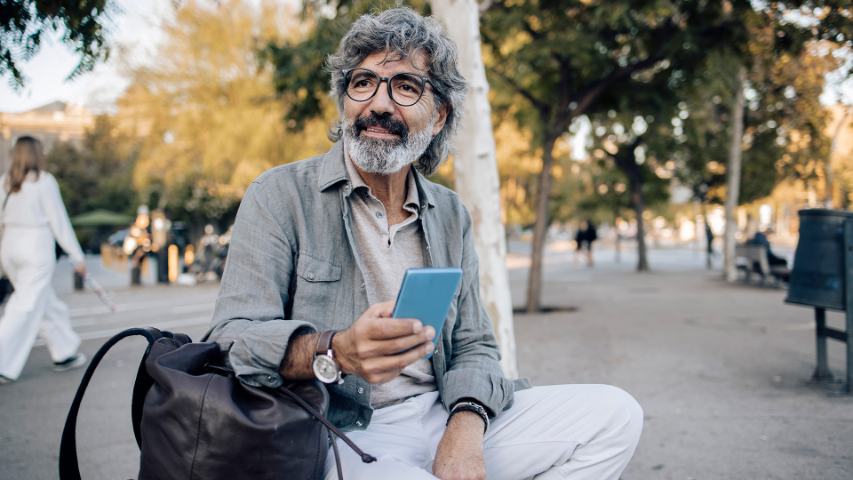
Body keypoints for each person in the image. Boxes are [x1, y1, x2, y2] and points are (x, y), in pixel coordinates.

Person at [206, 8, 642, 480]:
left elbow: (475, 344)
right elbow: (230, 340)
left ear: (438, 117)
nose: (378, 103)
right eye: (363, 83)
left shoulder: (450, 213)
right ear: (345, 100)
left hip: (440, 413)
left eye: (406, 87)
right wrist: (335, 350)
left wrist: (466, 423)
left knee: (615, 415)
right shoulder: (280, 195)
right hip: (333, 429)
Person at [0, 136, 88, 384]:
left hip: (10, 249)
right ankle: (3, 363)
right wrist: (77, 256)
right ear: (37, 154)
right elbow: (59, 222)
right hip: (35, 248)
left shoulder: (5, 182)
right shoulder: (44, 181)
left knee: (43, 302)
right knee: (24, 306)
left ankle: (64, 352)